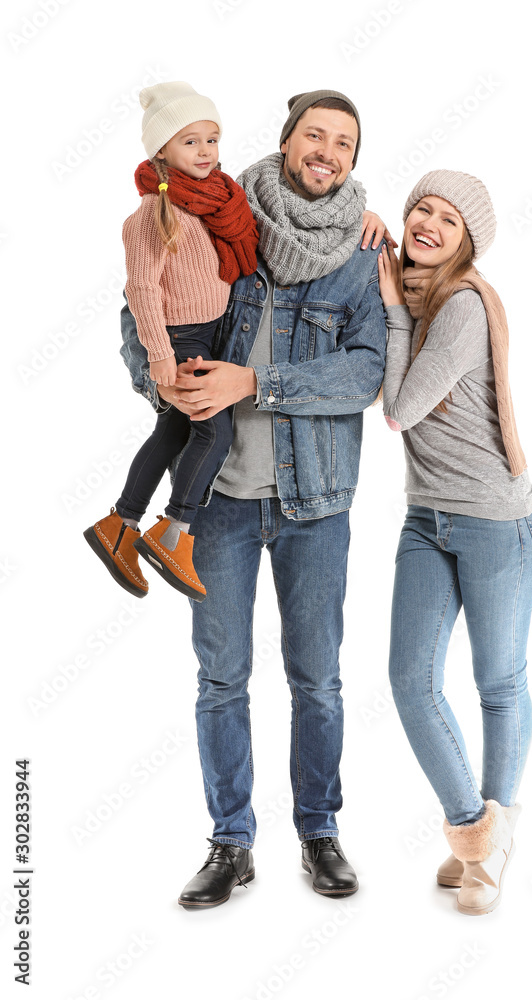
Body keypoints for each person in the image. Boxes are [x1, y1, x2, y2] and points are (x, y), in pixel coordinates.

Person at [120, 90, 388, 906]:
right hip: (220, 502)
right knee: (221, 679)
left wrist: (255, 383)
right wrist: (166, 384)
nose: (328, 151)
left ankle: (319, 832)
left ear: (351, 160)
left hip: (317, 503)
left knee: (317, 679)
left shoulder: (357, 250)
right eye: (315, 134)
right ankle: (231, 843)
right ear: (284, 142)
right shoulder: (213, 217)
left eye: (344, 142)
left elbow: (365, 371)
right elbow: (144, 317)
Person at [377, 169, 532, 916]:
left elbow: (401, 408)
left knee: (497, 683)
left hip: (494, 522)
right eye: (422, 208)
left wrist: (387, 312)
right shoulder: (414, 292)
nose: (429, 224)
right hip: (427, 519)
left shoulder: (462, 308)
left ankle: (493, 831)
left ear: (465, 241)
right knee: (410, 682)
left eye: (448, 219)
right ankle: (477, 830)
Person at [84, 82, 259, 601]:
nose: (206, 151)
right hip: (180, 339)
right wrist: (160, 355)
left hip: (208, 334)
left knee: (173, 434)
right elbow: (141, 289)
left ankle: (120, 525)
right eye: (191, 142)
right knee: (213, 435)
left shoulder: (213, 204)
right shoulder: (150, 216)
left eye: (213, 139)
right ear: (161, 150)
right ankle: (173, 532)